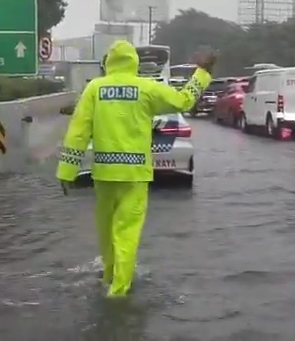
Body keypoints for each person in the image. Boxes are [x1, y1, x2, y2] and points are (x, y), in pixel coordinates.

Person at [56, 40, 215, 297]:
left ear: (108, 63)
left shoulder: (95, 88)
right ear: (134, 62)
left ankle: (108, 276)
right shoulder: (146, 88)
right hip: (135, 174)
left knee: (106, 230)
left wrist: (66, 172)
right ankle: (119, 289)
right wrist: (203, 73)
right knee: (126, 231)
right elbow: (183, 101)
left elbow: (78, 131)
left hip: (104, 174)